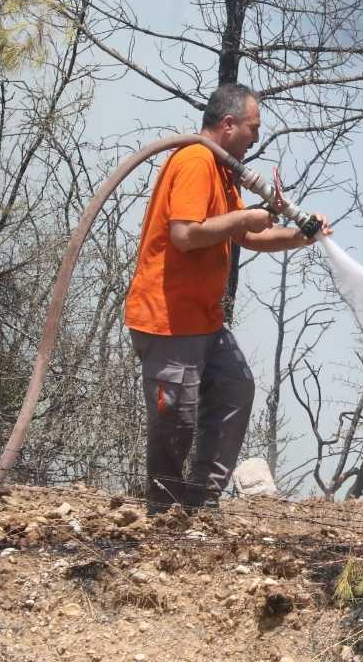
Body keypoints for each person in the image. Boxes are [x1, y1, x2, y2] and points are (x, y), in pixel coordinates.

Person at [125, 83, 330, 514]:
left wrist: (299, 236)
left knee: (235, 388)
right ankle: (163, 509)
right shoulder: (197, 160)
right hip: (169, 319)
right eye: (253, 128)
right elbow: (184, 235)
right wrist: (244, 217)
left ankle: (202, 500)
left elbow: (247, 235)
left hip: (202, 319)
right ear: (229, 123)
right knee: (174, 421)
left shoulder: (220, 167)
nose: (256, 137)